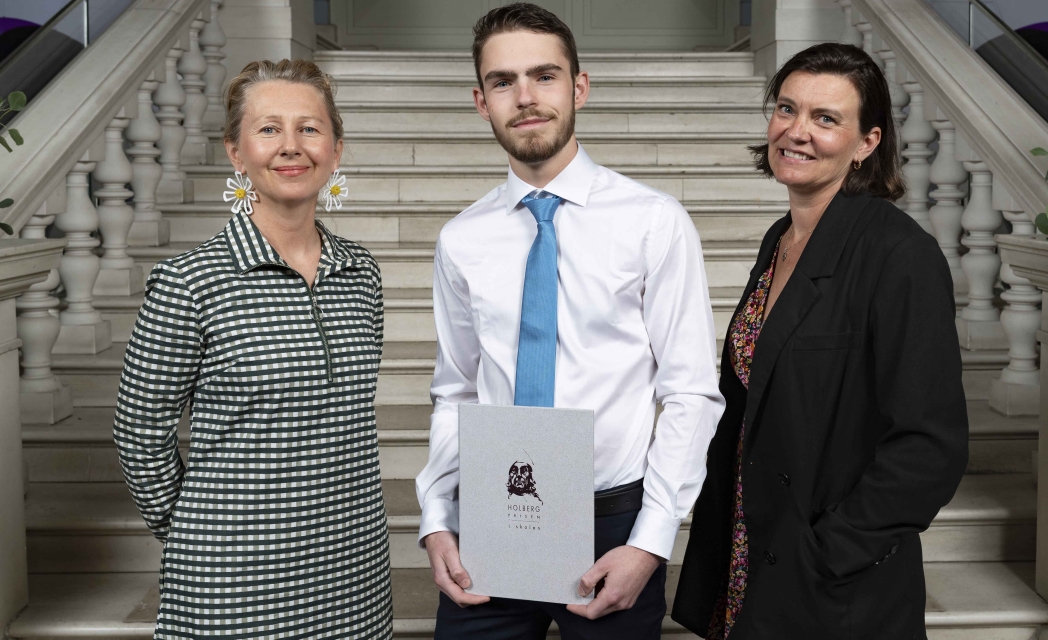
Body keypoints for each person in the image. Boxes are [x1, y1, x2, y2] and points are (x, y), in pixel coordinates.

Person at [415, 4, 725, 638]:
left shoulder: (652, 221)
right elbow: (456, 390)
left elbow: (691, 391)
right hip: (493, 511)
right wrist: (437, 517)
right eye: (503, 82)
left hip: (611, 523)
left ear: (578, 86)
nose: (525, 98)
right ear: (481, 100)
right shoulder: (461, 238)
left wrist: (651, 541)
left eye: (544, 76)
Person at [672, 43, 970, 640]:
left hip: (833, 585)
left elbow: (929, 446)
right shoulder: (780, 240)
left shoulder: (899, 255)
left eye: (825, 118)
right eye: (787, 108)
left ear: (867, 143)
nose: (796, 131)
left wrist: (828, 552)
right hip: (751, 557)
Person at [113, 59, 393, 639]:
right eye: (268, 130)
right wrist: (198, 529)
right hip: (229, 583)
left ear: (336, 150)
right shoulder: (189, 283)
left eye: (309, 129)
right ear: (236, 153)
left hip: (354, 577)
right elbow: (139, 432)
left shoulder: (360, 274)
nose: (291, 146)